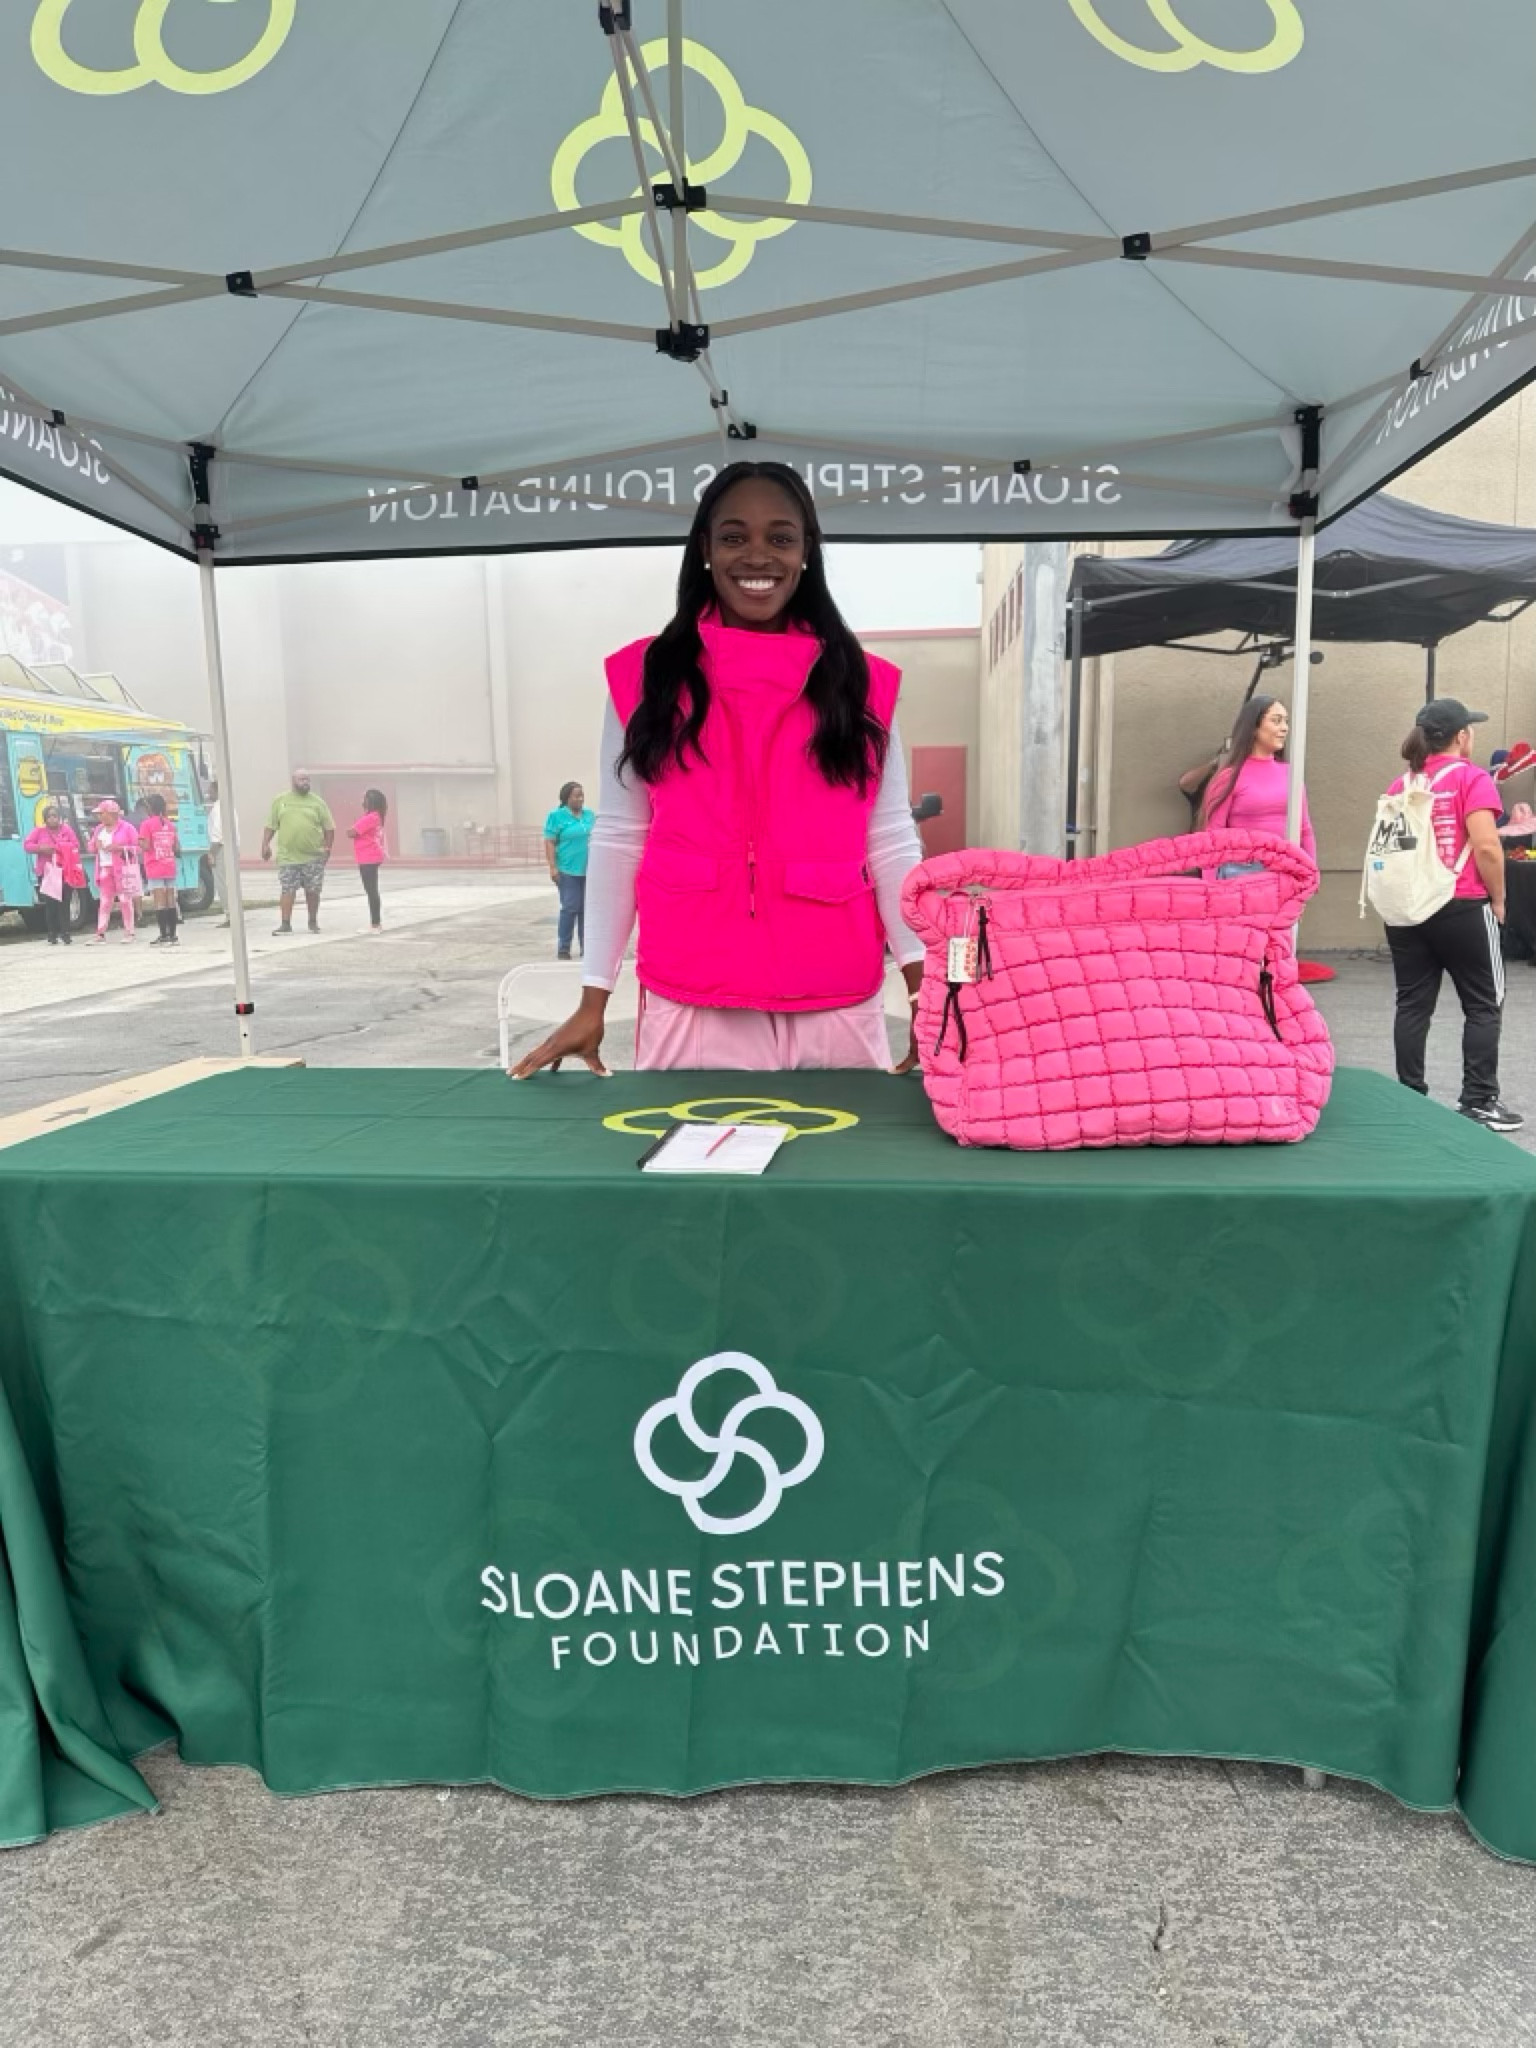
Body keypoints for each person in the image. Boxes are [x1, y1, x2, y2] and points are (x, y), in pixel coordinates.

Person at [511, 460, 926, 1078]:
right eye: (734, 536)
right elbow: (622, 837)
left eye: (780, 537)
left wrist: (924, 995)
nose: (757, 556)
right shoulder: (645, 678)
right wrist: (594, 995)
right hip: (693, 996)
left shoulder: (863, 684)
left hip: (836, 993)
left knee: (840, 1168)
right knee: (695, 1172)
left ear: (807, 551)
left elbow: (890, 840)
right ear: (704, 547)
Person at [1381, 698, 1521, 1133]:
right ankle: (1478, 1100)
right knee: (1483, 1004)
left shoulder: (1400, 785)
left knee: (1412, 1004)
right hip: (1460, 902)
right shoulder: (1471, 778)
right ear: (1461, 736)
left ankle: (1408, 1098)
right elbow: (1486, 847)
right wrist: (1498, 900)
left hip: (1407, 906)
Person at [1200, 695, 1316, 871]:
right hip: (1242, 875)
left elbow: (1304, 829)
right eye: (1276, 721)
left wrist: (1311, 872)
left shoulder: (1291, 774)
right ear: (1254, 728)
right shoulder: (1229, 777)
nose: (1284, 728)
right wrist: (1212, 885)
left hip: (1285, 871)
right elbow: (1213, 835)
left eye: (1286, 721)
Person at [260, 770, 335, 935]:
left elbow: (329, 828)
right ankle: (285, 924)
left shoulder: (318, 803)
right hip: (288, 856)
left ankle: (313, 921)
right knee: (288, 889)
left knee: (313, 890)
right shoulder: (280, 801)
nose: (305, 782)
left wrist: (328, 848)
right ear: (293, 781)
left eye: (307, 779)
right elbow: (271, 825)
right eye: (302, 779)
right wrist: (265, 844)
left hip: (313, 856)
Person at [543, 781, 593, 959]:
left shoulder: (589, 815)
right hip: (567, 870)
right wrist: (552, 867)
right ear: (566, 798)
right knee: (571, 907)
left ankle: (586, 948)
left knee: (586, 910)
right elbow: (549, 841)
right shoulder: (556, 816)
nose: (580, 798)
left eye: (582, 795)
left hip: (589, 872)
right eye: (576, 795)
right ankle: (563, 948)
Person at [23, 802, 85, 945]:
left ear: (59, 818)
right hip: (47, 872)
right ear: (45, 819)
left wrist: (59, 848)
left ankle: (66, 933)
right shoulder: (39, 832)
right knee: (50, 904)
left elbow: (75, 844)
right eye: (49, 816)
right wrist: (41, 848)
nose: (53, 819)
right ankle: (52, 934)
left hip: (65, 871)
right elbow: (27, 845)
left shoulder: (67, 830)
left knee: (64, 903)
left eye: (55, 816)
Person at [89, 799, 141, 943]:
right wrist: (95, 845)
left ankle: (129, 932)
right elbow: (91, 848)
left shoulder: (127, 828)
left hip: (123, 869)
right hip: (105, 867)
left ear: (112, 814)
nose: (100, 817)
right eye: (99, 814)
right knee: (105, 902)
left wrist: (120, 848)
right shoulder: (99, 829)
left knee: (125, 900)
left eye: (102, 813)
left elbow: (138, 848)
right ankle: (100, 933)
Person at [138, 793, 181, 946]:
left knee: (159, 901)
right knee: (170, 900)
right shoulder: (169, 824)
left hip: (155, 866)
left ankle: (163, 935)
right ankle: (173, 935)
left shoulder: (146, 824)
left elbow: (146, 845)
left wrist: (139, 842)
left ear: (150, 808)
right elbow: (176, 847)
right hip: (169, 865)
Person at [348, 788, 389, 933]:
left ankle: (375, 924)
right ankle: (376, 923)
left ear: (370, 801)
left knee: (371, 891)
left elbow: (352, 832)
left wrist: (352, 827)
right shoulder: (376, 816)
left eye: (364, 798)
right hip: (372, 856)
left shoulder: (370, 817)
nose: (361, 800)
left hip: (368, 857)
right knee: (372, 890)